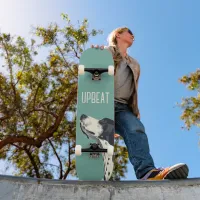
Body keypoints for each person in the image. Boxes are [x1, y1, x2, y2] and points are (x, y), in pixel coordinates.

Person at [91, 27, 189, 180]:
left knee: (136, 128)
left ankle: (146, 173)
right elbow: (93, 68)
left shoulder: (135, 64)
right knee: (99, 142)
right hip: (103, 102)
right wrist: (95, 55)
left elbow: (132, 91)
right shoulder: (106, 52)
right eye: (129, 32)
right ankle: (95, 174)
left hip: (122, 108)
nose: (132, 35)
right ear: (118, 34)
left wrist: (133, 112)